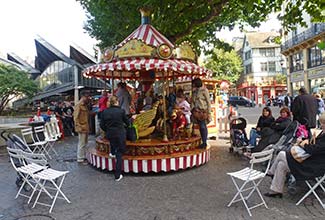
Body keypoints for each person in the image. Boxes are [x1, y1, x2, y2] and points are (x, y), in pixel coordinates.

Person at [264, 112, 325, 198]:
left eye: (323, 123)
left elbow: (313, 150)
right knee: (281, 165)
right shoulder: (323, 133)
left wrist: (303, 144)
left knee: (282, 153)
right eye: (322, 123)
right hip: (310, 161)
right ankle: (276, 191)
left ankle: (271, 172)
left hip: (312, 166)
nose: (321, 125)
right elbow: (315, 147)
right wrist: (307, 142)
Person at [100, 95, 130, 181]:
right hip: (120, 134)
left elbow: (102, 125)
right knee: (120, 153)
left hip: (110, 133)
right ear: (117, 102)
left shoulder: (105, 112)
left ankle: (112, 153)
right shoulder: (121, 111)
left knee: (114, 147)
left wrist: (108, 129)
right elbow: (127, 123)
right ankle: (117, 175)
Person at [191, 78, 211, 149]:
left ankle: (204, 142)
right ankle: (203, 141)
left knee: (203, 126)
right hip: (197, 111)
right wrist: (193, 109)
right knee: (200, 126)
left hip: (203, 111)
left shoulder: (204, 91)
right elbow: (193, 101)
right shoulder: (195, 92)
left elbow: (208, 102)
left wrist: (208, 113)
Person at [73, 90, 91, 164]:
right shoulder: (78, 105)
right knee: (82, 143)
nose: (88, 98)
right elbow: (75, 117)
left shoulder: (84, 105)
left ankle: (83, 156)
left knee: (85, 142)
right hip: (82, 126)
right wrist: (78, 126)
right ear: (83, 96)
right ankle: (80, 158)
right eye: (87, 96)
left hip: (85, 126)